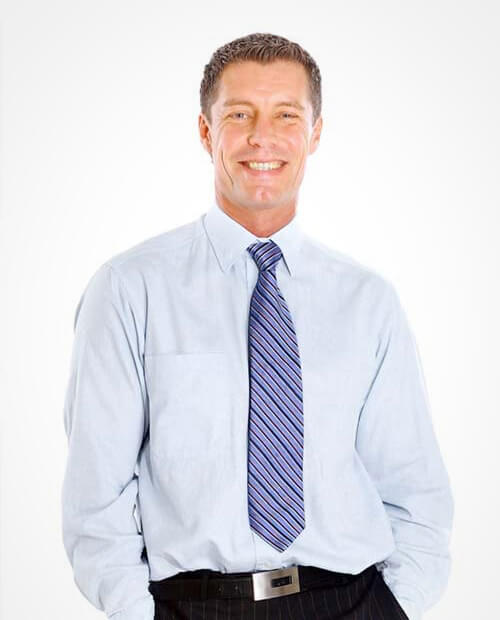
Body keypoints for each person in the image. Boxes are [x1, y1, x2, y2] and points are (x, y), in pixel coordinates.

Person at [61, 32, 454, 620]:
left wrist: (395, 607)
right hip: (193, 606)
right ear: (206, 131)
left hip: (351, 599)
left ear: (314, 133)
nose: (262, 137)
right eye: (239, 114)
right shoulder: (128, 290)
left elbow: (414, 487)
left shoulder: (369, 301)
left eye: (286, 115)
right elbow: (96, 496)